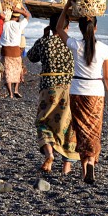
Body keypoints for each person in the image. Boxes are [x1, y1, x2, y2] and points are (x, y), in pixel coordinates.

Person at [56, 0, 108, 184]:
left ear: (81, 28)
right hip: (96, 92)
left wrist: (66, 7)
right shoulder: (104, 49)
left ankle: (84, 168)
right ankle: (91, 162)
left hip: (77, 91)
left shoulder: (76, 45)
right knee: (94, 131)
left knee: (80, 129)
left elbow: (59, 29)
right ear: (95, 28)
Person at [27, 13, 80, 174]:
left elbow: (31, 57)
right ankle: (66, 166)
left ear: (51, 26)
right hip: (70, 88)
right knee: (68, 126)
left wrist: (44, 37)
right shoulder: (73, 44)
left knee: (44, 122)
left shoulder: (45, 42)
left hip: (48, 88)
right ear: (67, 26)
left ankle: (49, 155)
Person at [0, 6, 30, 99]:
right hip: (16, 51)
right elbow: (28, 16)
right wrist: (20, 10)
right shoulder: (19, 25)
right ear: (17, 17)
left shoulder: (4, 24)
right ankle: (16, 89)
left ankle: (10, 93)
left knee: (7, 72)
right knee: (17, 71)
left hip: (5, 50)